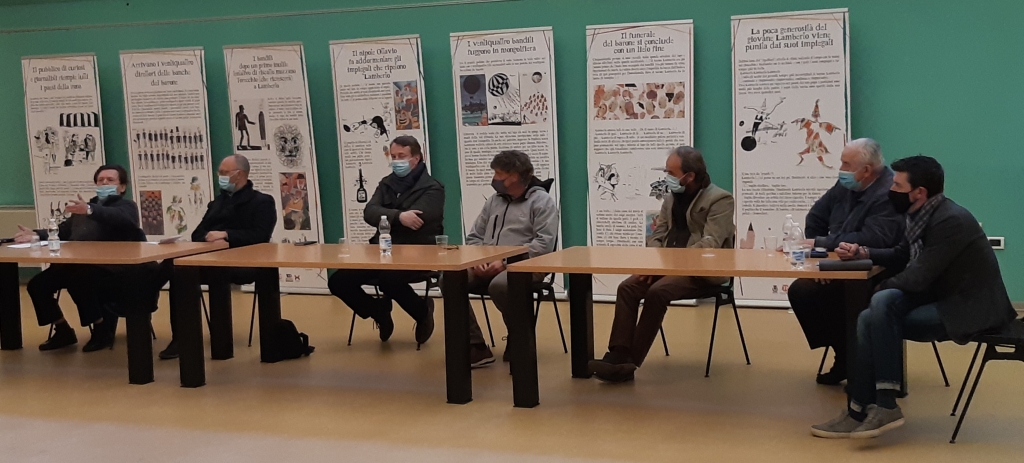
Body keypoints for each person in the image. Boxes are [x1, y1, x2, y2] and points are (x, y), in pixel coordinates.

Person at [811, 155, 1016, 439]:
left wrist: (880, 288)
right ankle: (862, 409)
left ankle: (881, 405)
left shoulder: (951, 220)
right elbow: (901, 255)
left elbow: (919, 276)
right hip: (937, 296)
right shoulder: (920, 215)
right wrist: (863, 252)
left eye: (897, 185)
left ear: (919, 192)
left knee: (877, 309)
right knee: (872, 314)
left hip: (967, 308)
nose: (890, 190)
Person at [588, 146, 735, 383]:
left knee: (658, 292)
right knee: (627, 287)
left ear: (689, 176)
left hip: (701, 270)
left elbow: (711, 243)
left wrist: (670, 266)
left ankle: (630, 363)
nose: (666, 176)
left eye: (671, 172)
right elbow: (657, 234)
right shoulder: (670, 199)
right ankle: (618, 353)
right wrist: (654, 262)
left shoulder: (720, 199)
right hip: (666, 267)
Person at [787, 139, 905, 385]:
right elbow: (816, 217)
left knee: (836, 295)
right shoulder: (846, 185)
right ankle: (844, 355)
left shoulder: (888, 192)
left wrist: (823, 243)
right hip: (841, 262)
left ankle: (858, 363)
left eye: (846, 164)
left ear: (866, 170)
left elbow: (873, 238)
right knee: (802, 290)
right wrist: (823, 257)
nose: (840, 169)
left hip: (879, 268)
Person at [14, 165, 147, 352]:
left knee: (80, 280)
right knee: (38, 285)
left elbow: (121, 218)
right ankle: (62, 330)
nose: (104, 183)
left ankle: (101, 330)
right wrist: (35, 234)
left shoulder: (126, 207)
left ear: (122, 187)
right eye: (100, 180)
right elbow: (62, 231)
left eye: (110, 180)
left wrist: (90, 210)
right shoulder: (83, 209)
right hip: (78, 266)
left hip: (112, 269)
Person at [156, 154, 276, 359]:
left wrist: (227, 236)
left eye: (224, 172)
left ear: (239, 175)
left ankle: (221, 344)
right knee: (177, 268)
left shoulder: (262, 201)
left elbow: (260, 234)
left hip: (243, 261)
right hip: (211, 257)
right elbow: (197, 233)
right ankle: (182, 338)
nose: (220, 176)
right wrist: (209, 238)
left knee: (210, 272)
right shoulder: (217, 202)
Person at [328, 136, 442, 346]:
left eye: (402, 156)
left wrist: (386, 216)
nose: (396, 160)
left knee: (389, 279)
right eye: (394, 156)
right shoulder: (386, 183)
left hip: (417, 253)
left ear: (416, 158)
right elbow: (369, 212)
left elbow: (419, 219)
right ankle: (378, 311)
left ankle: (422, 311)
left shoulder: (432, 188)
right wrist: (399, 216)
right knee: (338, 281)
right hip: (381, 251)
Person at [456, 150, 558, 368]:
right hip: (487, 263)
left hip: (528, 265)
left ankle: (519, 338)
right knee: (451, 279)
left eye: (499, 174)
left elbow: (544, 245)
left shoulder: (542, 202)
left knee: (501, 285)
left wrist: (505, 263)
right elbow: (474, 237)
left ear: (515, 176)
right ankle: (475, 345)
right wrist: (477, 259)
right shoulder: (493, 201)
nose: (495, 179)